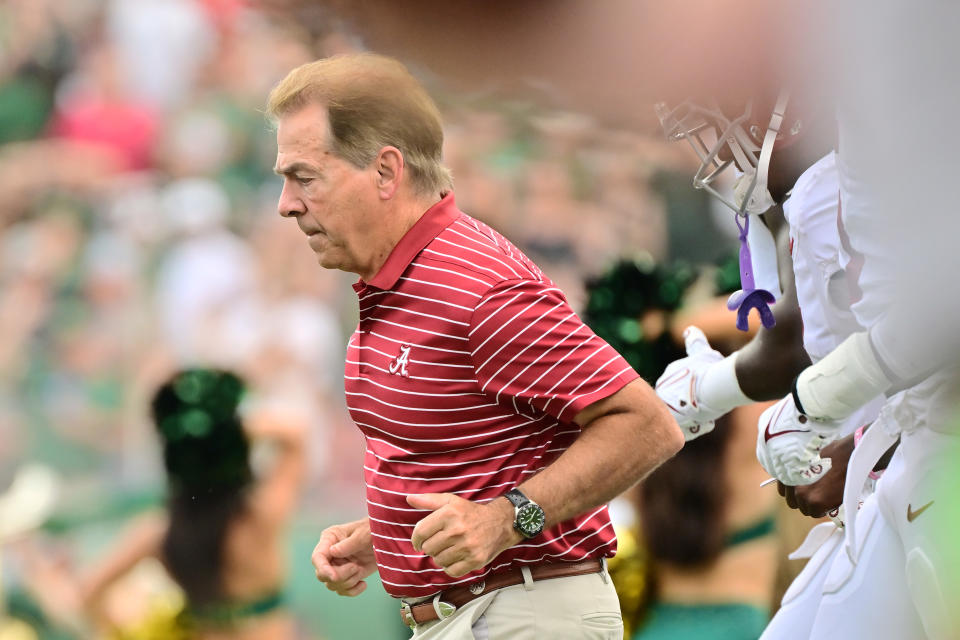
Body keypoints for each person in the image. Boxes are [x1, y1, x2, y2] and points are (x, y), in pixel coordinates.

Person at [265, 52, 683, 638]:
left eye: (304, 177)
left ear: (386, 172)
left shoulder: (478, 286)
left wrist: (507, 520)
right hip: (480, 614)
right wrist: (386, 536)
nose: (286, 203)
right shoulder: (401, 281)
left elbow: (647, 425)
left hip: (524, 615)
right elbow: (476, 461)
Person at [79, 368, 306, 640]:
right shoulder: (258, 519)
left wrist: (126, 633)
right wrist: (225, 431)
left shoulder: (161, 533)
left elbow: (90, 591)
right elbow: (295, 435)